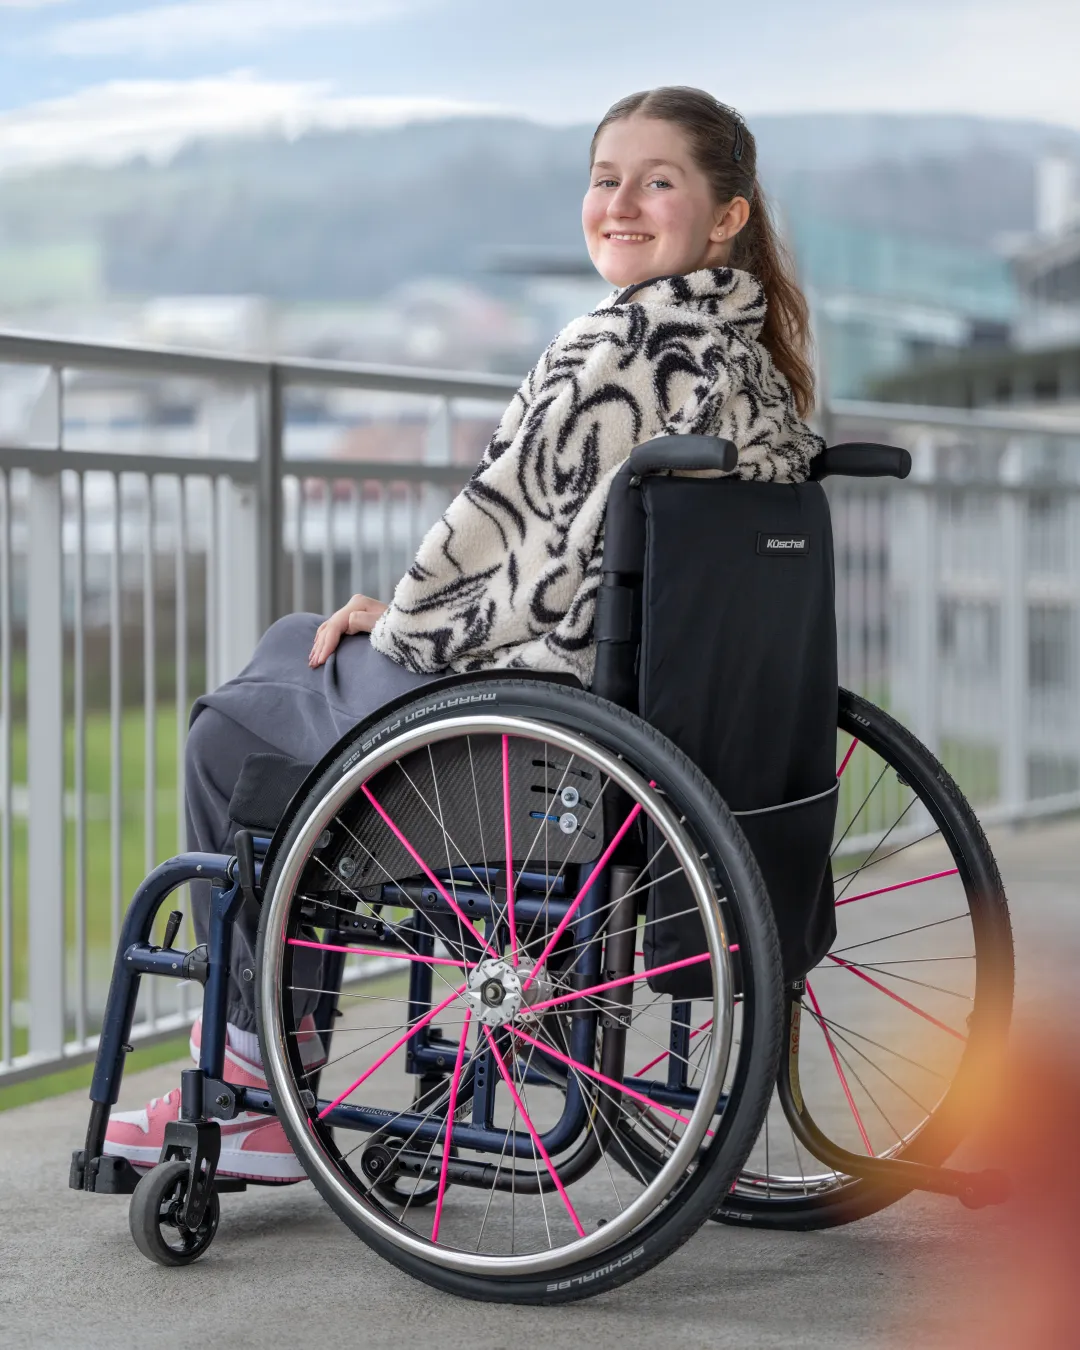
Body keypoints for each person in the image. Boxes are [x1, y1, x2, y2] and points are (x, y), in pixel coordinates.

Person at [105, 85, 824, 1182]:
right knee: (301, 637)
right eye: (605, 177)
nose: (620, 202)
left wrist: (394, 618)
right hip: (653, 732)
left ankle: (253, 1074)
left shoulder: (621, 344)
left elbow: (499, 555)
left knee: (228, 737)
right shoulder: (740, 352)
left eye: (657, 180)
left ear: (724, 216)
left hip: (539, 744)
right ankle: (272, 1052)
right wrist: (382, 617)